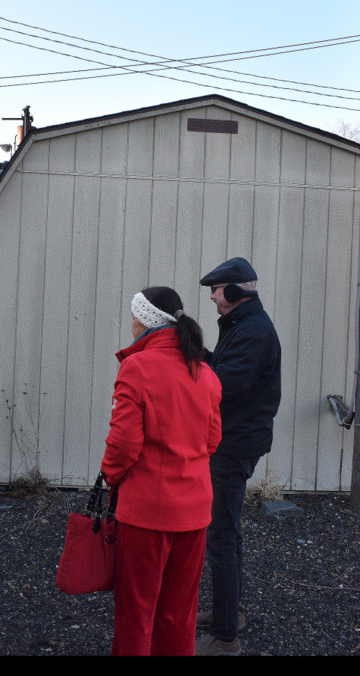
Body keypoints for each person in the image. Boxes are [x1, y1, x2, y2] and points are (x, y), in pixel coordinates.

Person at [101, 287, 222, 656]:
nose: (131, 322)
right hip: (195, 512)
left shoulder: (137, 368)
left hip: (145, 515)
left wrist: (112, 476)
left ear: (146, 321)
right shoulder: (205, 373)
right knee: (179, 614)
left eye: (134, 315)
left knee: (137, 613)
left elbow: (123, 445)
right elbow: (212, 441)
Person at [195, 257, 282, 657]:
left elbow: (222, 386)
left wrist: (192, 361)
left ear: (232, 292)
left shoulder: (253, 331)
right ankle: (229, 614)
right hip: (233, 440)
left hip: (233, 445)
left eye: (216, 289)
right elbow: (222, 371)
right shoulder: (242, 326)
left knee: (221, 536)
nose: (212, 296)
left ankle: (226, 637)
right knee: (226, 532)